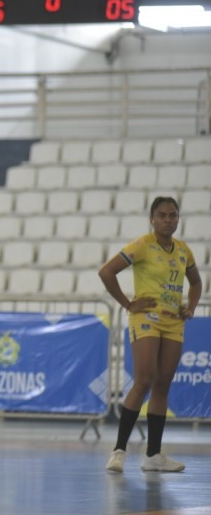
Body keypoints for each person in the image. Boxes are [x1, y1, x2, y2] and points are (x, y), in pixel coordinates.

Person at [100, 196, 202, 473]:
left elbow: (196, 282)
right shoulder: (142, 246)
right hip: (146, 318)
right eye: (163, 215)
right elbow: (107, 272)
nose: (168, 220)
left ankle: (153, 455)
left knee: (163, 385)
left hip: (173, 322)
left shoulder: (183, 251)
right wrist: (128, 303)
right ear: (152, 219)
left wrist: (190, 307)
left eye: (173, 215)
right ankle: (119, 451)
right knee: (144, 379)